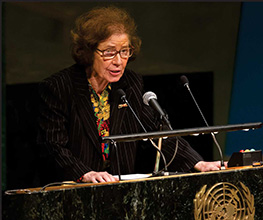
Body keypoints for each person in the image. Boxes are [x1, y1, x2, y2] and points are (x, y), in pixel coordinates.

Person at [37, 6, 224, 184]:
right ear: (88, 52)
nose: (119, 61)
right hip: (73, 193)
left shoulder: (130, 83)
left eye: (124, 51)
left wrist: (197, 163)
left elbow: (155, 132)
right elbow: (53, 146)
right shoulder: (59, 87)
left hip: (120, 189)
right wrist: (84, 173)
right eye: (109, 52)